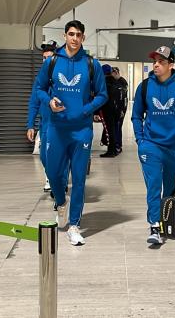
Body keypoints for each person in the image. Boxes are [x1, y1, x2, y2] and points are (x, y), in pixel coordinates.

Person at [33, 20, 108, 246]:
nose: (74, 38)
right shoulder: (53, 62)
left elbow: (102, 95)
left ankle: (74, 225)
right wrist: (49, 101)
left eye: (78, 35)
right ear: (65, 36)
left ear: (83, 38)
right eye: (71, 34)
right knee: (54, 173)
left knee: (79, 179)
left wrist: (84, 110)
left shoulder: (91, 64)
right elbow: (38, 89)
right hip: (56, 128)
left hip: (82, 131)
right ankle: (60, 201)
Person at [132, 45, 175, 244]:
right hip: (150, 145)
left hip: (174, 145)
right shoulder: (144, 87)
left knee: (170, 187)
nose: (156, 65)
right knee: (153, 186)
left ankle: (164, 216)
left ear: (171, 65)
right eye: (154, 61)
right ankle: (154, 226)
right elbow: (135, 116)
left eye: (161, 62)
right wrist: (140, 140)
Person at [27, 40, 59, 192]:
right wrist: (30, 125)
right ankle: (50, 175)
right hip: (45, 124)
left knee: (59, 155)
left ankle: (58, 181)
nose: (46, 61)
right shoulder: (40, 80)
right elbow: (34, 103)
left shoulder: (61, 79)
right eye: (44, 58)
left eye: (49, 58)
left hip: (61, 125)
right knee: (44, 156)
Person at [112, 67, 128, 154]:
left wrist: (122, 110)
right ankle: (115, 144)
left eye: (113, 73)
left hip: (121, 108)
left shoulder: (122, 82)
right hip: (117, 108)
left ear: (117, 73)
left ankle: (118, 145)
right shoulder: (115, 82)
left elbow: (123, 98)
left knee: (118, 126)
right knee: (115, 126)